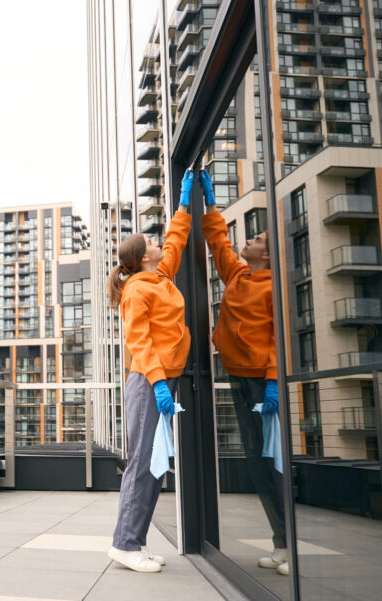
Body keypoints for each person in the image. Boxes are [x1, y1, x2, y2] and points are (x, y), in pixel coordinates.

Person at [199, 169, 288, 575]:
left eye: (255, 240)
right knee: (256, 460)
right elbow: (217, 241)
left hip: (260, 382)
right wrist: (210, 203)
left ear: (266, 255)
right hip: (238, 375)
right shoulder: (237, 274)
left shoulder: (274, 288)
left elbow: (279, 339)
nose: (247, 240)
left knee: (270, 461)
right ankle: (282, 544)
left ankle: (287, 545)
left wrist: (271, 383)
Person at [106, 169, 194, 573]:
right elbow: (138, 343)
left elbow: (175, 241)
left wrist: (185, 204)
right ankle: (124, 544)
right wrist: (160, 384)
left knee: (154, 463)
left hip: (162, 379)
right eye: (152, 242)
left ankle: (135, 541)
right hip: (148, 381)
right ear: (143, 257)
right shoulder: (137, 290)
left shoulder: (160, 278)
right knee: (143, 462)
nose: (160, 243)